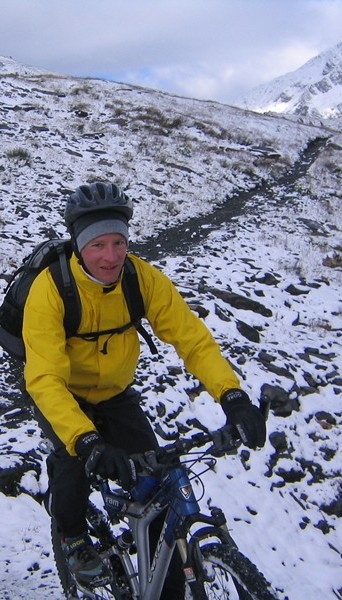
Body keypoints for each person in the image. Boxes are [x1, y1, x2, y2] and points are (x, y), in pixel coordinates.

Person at [22, 182, 266, 596]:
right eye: (99, 244)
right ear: (80, 246)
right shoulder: (50, 291)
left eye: (119, 242)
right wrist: (88, 442)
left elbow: (193, 339)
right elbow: (45, 378)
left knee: (155, 489)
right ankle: (74, 538)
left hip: (115, 394)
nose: (112, 256)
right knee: (71, 468)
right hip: (63, 395)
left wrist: (233, 397)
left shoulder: (141, 278)